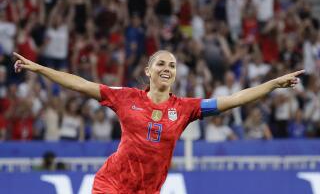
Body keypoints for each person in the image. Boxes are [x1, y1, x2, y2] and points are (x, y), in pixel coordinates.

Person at [13, 50, 303, 193]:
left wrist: (273, 84)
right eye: (161, 64)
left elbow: (234, 99)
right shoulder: (125, 97)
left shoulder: (187, 108)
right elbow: (80, 84)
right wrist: (39, 69)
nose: (167, 68)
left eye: (172, 65)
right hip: (111, 183)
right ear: (148, 70)